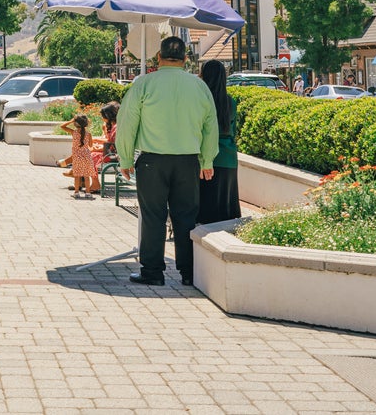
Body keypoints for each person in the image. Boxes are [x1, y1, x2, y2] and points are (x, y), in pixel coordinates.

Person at [115, 36, 218, 287]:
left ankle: (152, 272)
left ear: (158, 58)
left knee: (153, 216)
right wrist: (207, 161)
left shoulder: (144, 84)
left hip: (153, 162)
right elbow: (210, 127)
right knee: (186, 217)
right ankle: (188, 272)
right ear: (185, 59)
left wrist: (126, 158)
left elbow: (127, 122)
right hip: (188, 162)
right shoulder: (199, 87)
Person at [198, 60, 241, 225]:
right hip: (228, 157)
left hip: (204, 157)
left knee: (206, 205)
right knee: (226, 202)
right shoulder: (230, 101)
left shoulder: (201, 100)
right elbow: (233, 132)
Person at [60, 113, 99, 198]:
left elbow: (62, 126)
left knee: (77, 176)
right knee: (86, 176)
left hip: (77, 157)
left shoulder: (73, 132)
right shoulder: (88, 134)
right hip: (87, 157)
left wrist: (71, 121)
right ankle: (88, 193)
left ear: (75, 123)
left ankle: (76, 193)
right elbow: (91, 146)